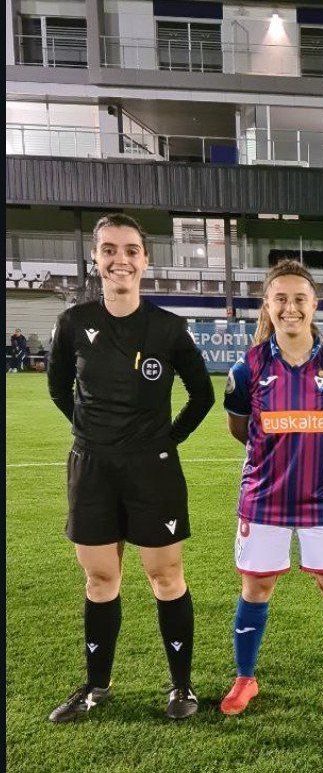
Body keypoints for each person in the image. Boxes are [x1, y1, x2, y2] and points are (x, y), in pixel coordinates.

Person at [46, 213, 215, 722]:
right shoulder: (73, 323)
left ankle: (181, 687)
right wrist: (91, 434)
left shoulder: (167, 327)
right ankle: (97, 686)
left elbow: (202, 394)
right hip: (92, 468)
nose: (120, 259)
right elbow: (58, 388)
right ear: (95, 258)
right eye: (109, 250)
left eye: (131, 250)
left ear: (145, 259)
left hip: (152, 471)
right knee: (100, 578)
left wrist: (165, 440)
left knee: (166, 575)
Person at [220, 259, 323, 715]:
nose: (291, 308)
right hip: (264, 497)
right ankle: (244, 679)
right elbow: (239, 429)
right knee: (256, 588)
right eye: (281, 299)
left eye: (299, 299)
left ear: (314, 305)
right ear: (268, 305)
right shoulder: (246, 370)